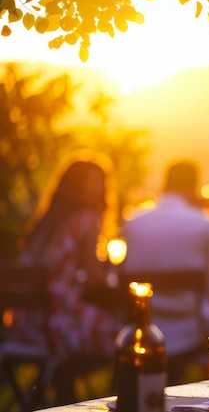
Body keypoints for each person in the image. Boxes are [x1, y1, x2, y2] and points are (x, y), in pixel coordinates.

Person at [7, 150, 124, 403]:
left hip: (23, 328)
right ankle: (99, 398)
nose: (99, 189)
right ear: (76, 187)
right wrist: (113, 282)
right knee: (125, 338)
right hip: (56, 327)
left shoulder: (46, 220)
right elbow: (94, 277)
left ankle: (62, 387)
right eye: (94, 183)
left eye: (101, 183)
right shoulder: (85, 219)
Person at [120, 159, 209, 384]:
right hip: (192, 327)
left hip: (144, 327)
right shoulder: (206, 223)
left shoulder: (133, 222)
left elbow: (122, 273)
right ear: (195, 186)